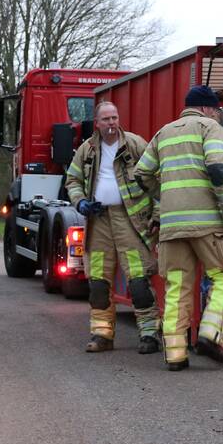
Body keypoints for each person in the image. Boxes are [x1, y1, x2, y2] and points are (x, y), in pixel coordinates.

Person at [135, 85, 223, 371]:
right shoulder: (209, 128)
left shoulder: (163, 132)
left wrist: (165, 196)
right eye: (216, 109)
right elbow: (218, 168)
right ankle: (210, 332)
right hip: (207, 223)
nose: (217, 115)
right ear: (206, 108)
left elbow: (141, 175)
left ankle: (176, 355)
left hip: (171, 225)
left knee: (177, 287)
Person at [66, 101, 160, 355]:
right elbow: (73, 179)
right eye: (106, 119)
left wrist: (157, 214)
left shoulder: (136, 144)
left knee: (139, 281)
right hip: (99, 221)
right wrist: (81, 201)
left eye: (115, 118)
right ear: (97, 123)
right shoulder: (87, 150)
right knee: (98, 282)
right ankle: (102, 334)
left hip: (130, 220)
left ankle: (150, 334)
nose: (111, 123)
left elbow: (158, 178)